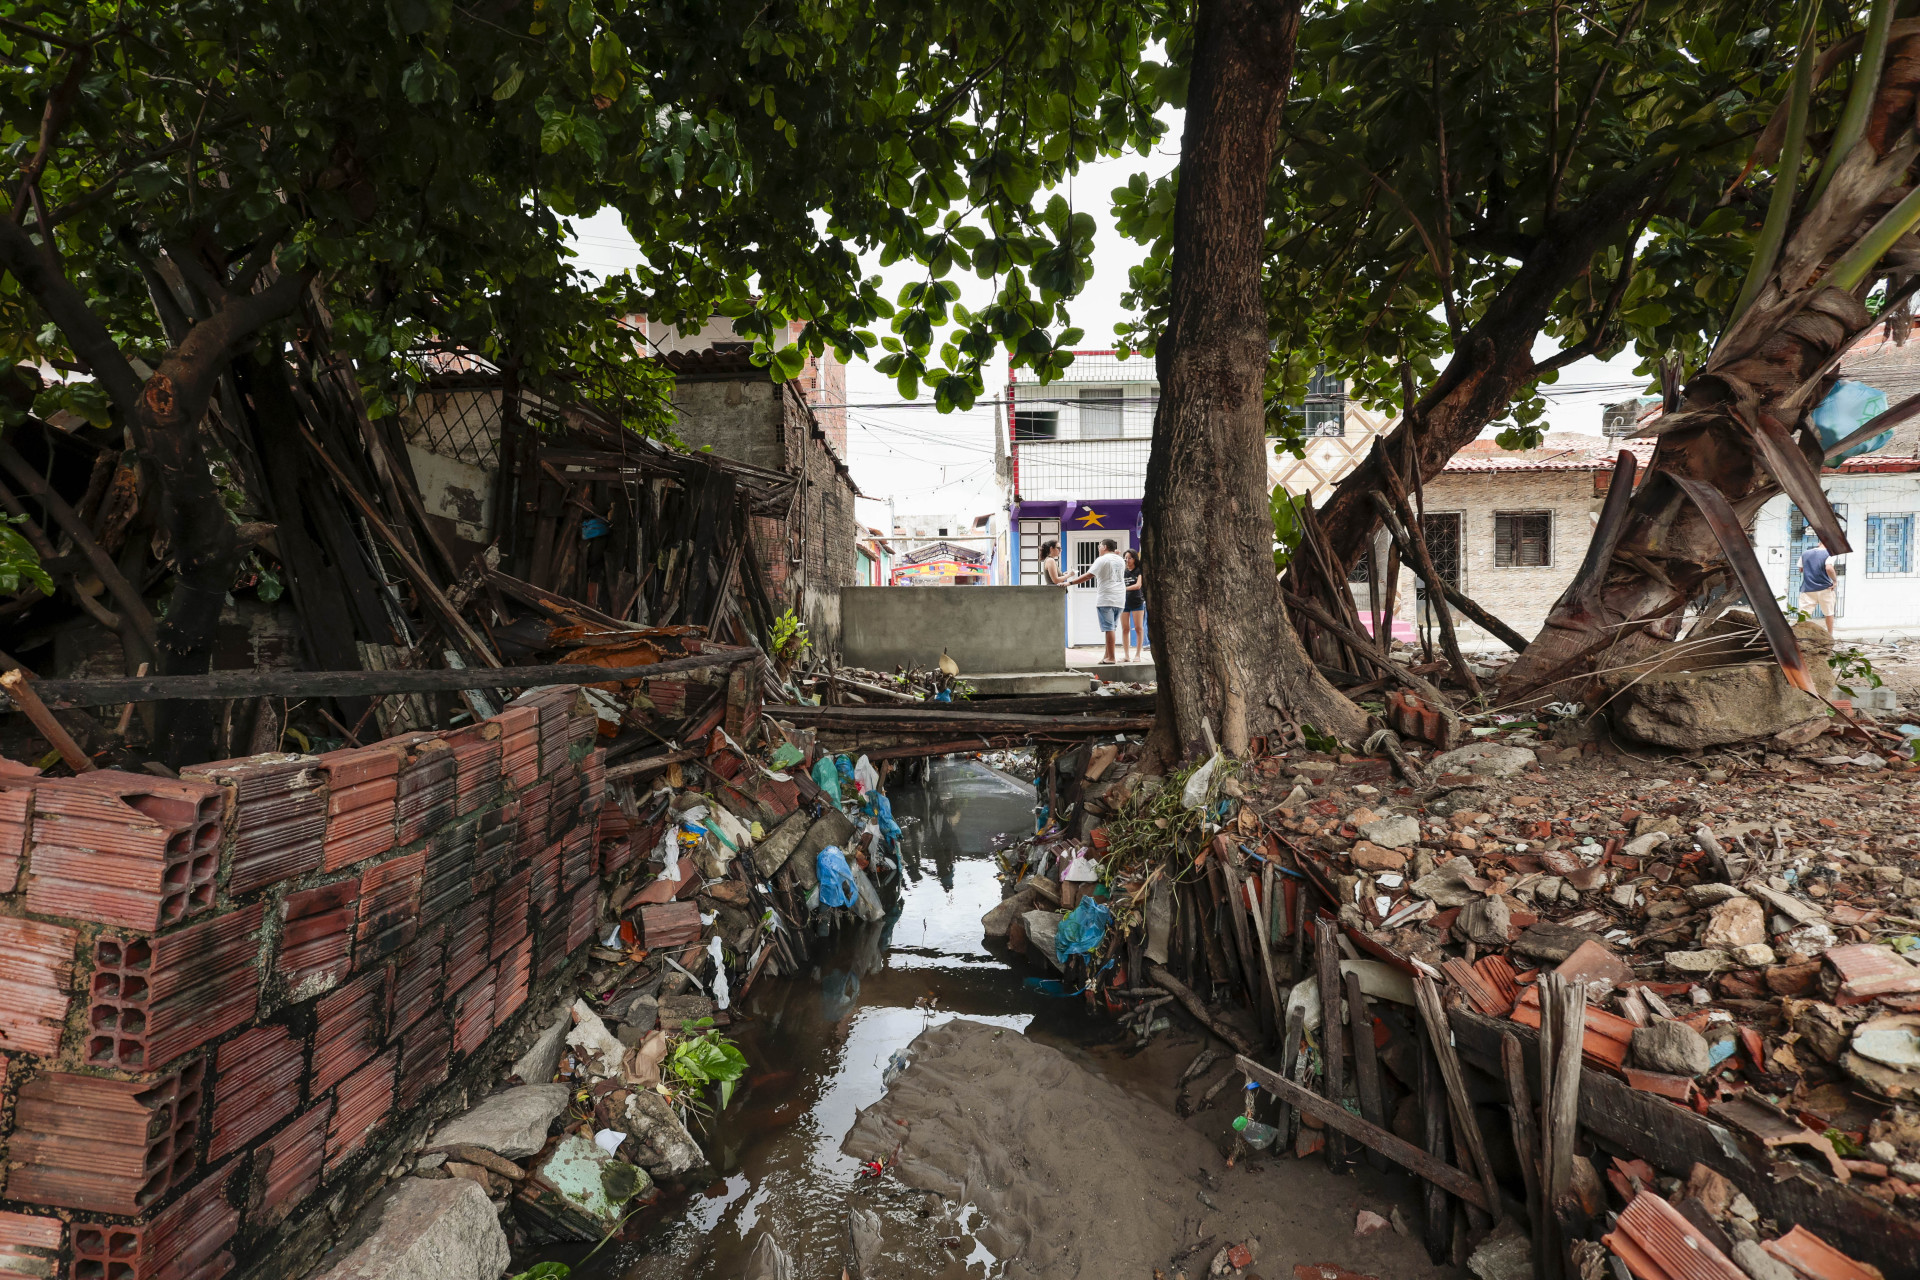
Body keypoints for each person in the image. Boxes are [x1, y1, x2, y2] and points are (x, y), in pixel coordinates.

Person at [1088, 537, 1127, 664]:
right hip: (1119, 598)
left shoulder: (1102, 559)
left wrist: (1070, 582)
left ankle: (1111, 657)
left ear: (1104, 547)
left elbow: (1089, 575)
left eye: (1099, 546)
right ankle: (1107, 656)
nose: (1098, 549)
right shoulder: (1120, 560)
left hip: (1106, 598)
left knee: (1109, 628)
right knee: (1111, 628)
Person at [1800, 543, 1839, 637]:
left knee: (1803, 614)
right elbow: (1829, 568)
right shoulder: (1831, 553)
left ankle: (1800, 636)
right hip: (1825, 588)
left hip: (1807, 588)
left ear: (1819, 543)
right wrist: (1834, 580)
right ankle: (1830, 636)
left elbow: (1801, 569)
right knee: (1829, 613)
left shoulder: (1805, 553)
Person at [1122, 548, 1147, 661]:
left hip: (1137, 601)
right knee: (1125, 629)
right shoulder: (1122, 571)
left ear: (1134, 559)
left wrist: (1124, 589)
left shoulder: (1138, 570)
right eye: (1126, 558)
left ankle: (1138, 655)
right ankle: (1126, 655)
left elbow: (1138, 585)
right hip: (1124, 602)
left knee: (1138, 628)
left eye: (1130, 558)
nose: (1127, 560)